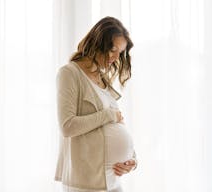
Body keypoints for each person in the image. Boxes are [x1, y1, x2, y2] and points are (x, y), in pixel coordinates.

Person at [55, 16, 137, 192]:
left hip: (113, 181)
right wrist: (108, 115)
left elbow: (118, 122)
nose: (115, 58)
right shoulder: (69, 74)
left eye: (120, 53)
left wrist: (132, 160)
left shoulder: (103, 80)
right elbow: (67, 126)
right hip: (86, 182)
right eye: (112, 49)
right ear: (97, 42)